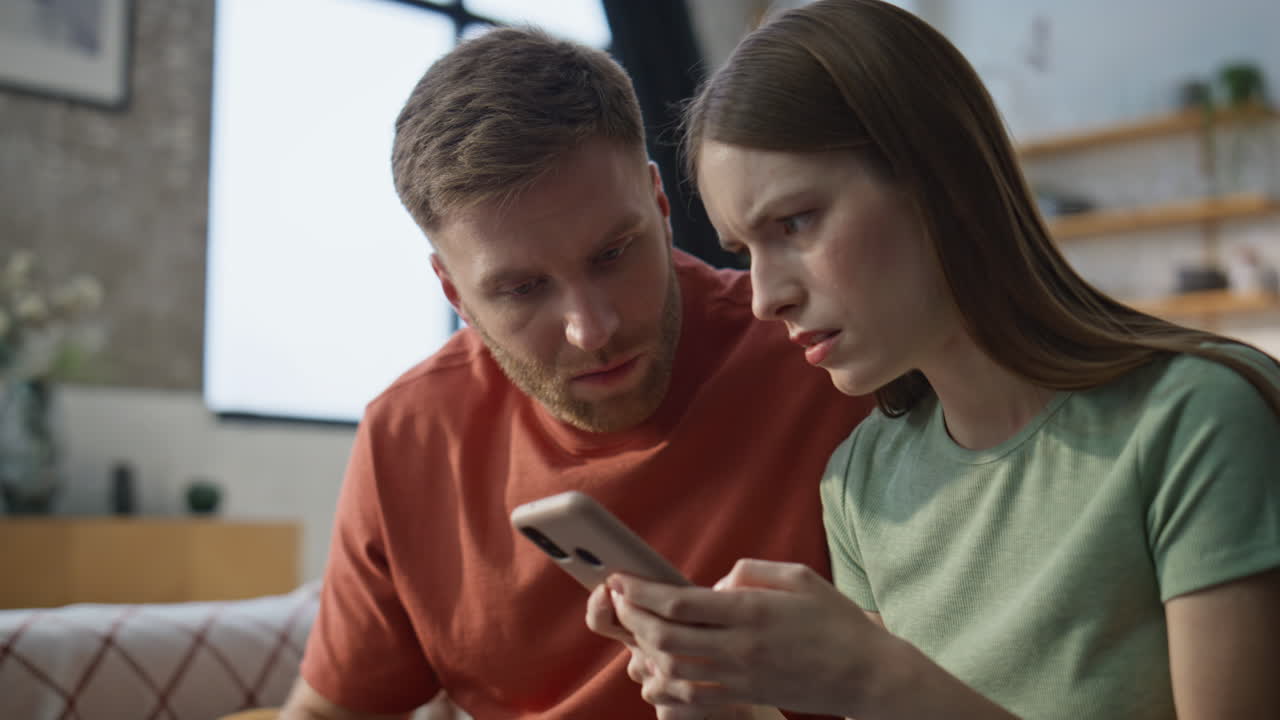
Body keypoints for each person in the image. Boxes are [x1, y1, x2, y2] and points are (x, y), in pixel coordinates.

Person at [590, 1, 1280, 718]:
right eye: (744, 251)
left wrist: (877, 680)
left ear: (936, 177)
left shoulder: (1197, 419)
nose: (766, 297)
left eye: (794, 222)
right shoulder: (860, 484)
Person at [280, 25, 873, 720]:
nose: (591, 329)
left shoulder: (825, 356)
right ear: (453, 293)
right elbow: (329, 712)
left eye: (614, 253)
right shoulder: (408, 435)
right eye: (522, 289)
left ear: (658, 203)